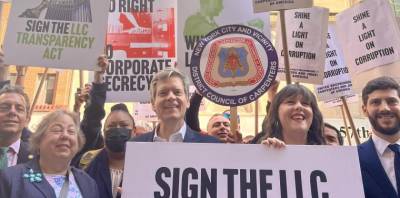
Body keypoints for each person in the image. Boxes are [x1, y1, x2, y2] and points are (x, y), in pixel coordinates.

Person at [0, 110, 99, 198]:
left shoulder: (88, 183)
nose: (65, 135)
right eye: (57, 130)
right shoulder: (10, 178)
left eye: (71, 131)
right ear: (39, 140)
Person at [133, 68, 220, 143]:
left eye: (177, 92)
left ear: (187, 101)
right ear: (153, 104)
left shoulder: (211, 145)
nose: (171, 97)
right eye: (163, 93)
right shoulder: (134, 147)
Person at [80, 103, 135, 198]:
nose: (118, 129)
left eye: (124, 125)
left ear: (134, 131)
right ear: (104, 131)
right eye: (112, 126)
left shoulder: (145, 165)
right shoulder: (87, 161)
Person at [358, 76, 400, 198]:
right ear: (365, 110)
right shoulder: (352, 159)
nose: (385, 108)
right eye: (376, 102)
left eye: (392, 101)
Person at [256, 84, 325, 145]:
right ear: (276, 112)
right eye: (290, 102)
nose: (299, 106)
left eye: (305, 103)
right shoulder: (262, 150)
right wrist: (265, 155)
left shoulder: (328, 155)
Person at [0, 85, 33, 168]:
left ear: (27, 119)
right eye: (4, 107)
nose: (12, 112)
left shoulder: (39, 158)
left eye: (19, 109)